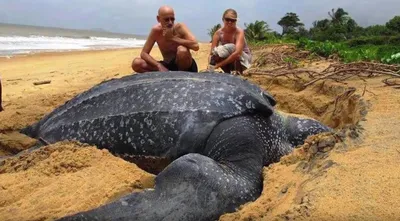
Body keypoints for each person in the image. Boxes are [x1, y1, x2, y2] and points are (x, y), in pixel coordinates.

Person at [132, 6, 199, 73]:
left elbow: (196, 46)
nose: (170, 22)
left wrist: (173, 38)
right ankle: (167, 73)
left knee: (182, 50)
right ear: (158, 19)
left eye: (172, 19)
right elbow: (144, 53)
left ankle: (181, 75)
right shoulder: (156, 31)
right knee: (137, 63)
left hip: (186, 66)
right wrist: (158, 65)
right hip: (168, 65)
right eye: (166, 19)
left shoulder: (180, 28)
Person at [208, 9, 252, 74]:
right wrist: (210, 65)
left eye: (233, 20)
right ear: (223, 19)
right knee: (216, 52)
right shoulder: (218, 33)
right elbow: (211, 54)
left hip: (244, 60)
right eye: (227, 19)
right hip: (230, 59)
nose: (230, 22)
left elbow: (237, 53)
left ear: (236, 21)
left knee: (232, 47)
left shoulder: (239, 32)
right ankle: (229, 72)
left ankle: (237, 71)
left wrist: (218, 65)